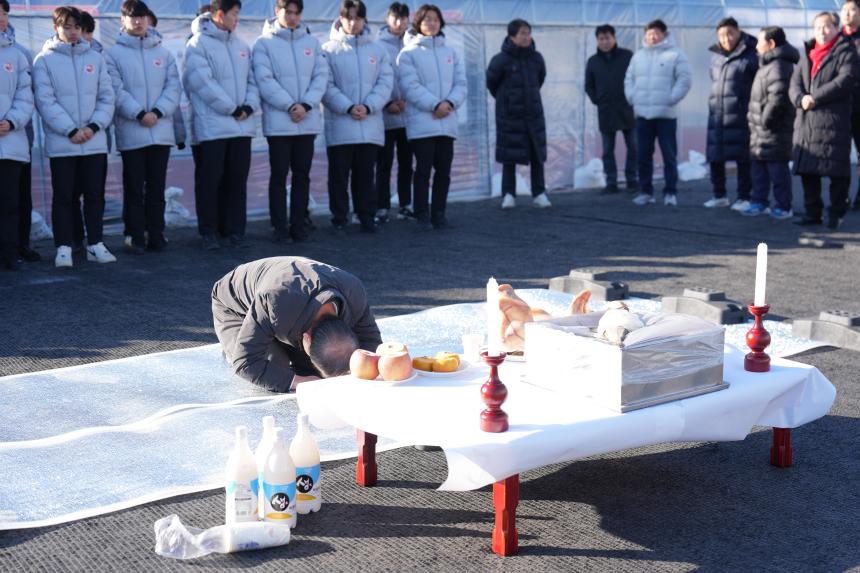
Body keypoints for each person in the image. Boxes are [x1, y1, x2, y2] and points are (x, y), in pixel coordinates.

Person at [211, 256, 383, 392]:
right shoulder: (274, 300)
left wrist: (364, 370)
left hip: (287, 308)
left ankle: (275, 337)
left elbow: (371, 340)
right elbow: (246, 363)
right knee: (277, 366)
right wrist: (299, 382)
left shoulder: (354, 294)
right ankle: (232, 348)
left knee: (315, 373)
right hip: (234, 307)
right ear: (306, 338)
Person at [33, 6, 116, 268]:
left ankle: (96, 244)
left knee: (94, 196)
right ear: (56, 27)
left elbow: (107, 97)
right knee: (64, 197)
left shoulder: (96, 59)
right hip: (63, 144)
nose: (72, 32)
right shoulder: (44, 61)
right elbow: (45, 101)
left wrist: (92, 127)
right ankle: (64, 247)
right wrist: (70, 130)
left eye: (76, 27)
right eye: (66, 26)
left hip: (94, 142)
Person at [105, 0, 181, 254]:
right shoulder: (113, 54)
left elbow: (173, 87)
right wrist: (139, 113)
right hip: (132, 131)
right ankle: (134, 234)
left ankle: (156, 234)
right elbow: (116, 90)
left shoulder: (164, 54)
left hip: (160, 130)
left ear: (149, 19)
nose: (138, 21)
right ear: (123, 20)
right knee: (134, 187)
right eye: (132, 17)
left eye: (142, 16)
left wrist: (157, 112)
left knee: (157, 187)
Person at [184, 0, 259, 250]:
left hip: (242, 126)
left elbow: (253, 80)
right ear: (219, 14)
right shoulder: (197, 44)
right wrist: (232, 108)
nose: (237, 19)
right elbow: (202, 83)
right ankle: (209, 231)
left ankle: (235, 230)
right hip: (213, 127)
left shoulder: (241, 45)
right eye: (234, 14)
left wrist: (248, 106)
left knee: (237, 180)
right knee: (210, 181)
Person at [253, 0, 327, 244]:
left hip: (306, 120)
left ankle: (298, 224)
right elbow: (264, 80)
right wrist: (289, 105)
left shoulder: (312, 43)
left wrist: (305, 105)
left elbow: (320, 77)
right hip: (279, 122)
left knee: (302, 175)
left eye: (297, 12)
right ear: (277, 11)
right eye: (288, 12)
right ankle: (279, 226)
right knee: (279, 176)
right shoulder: (264, 44)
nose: (293, 17)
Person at [321, 0, 393, 234]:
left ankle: (366, 215)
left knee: (365, 174)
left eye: (358, 18)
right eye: (348, 18)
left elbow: (385, 82)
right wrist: (349, 107)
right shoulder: (328, 49)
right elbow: (326, 85)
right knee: (339, 175)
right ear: (341, 19)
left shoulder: (377, 50)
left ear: (364, 20)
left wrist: (369, 106)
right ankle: (340, 216)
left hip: (369, 124)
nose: (353, 23)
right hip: (341, 123)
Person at [398, 4, 466, 229]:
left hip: (447, 121)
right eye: (427, 19)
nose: (432, 23)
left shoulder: (450, 52)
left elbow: (461, 84)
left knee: (444, 171)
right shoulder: (409, 53)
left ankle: (439, 212)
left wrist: (449, 103)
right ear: (418, 23)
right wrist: (435, 104)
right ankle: (421, 214)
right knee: (423, 171)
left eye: (436, 19)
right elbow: (410, 86)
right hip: (423, 123)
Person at [789, 11, 859, 230]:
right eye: (818, 27)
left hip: (832, 122)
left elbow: (845, 80)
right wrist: (800, 99)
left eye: (827, 26)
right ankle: (813, 212)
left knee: (836, 171)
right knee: (809, 171)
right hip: (806, 122)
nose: (822, 31)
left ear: (836, 28)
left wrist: (814, 98)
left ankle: (836, 211)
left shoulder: (845, 51)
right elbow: (794, 84)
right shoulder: (807, 53)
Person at [624, 19, 692, 207]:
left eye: (655, 33)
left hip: (665, 115)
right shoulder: (638, 56)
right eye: (648, 34)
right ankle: (646, 191)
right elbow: (628, 79)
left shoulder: (675, 55)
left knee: (669, 155)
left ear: (664, 34)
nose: (652, 37)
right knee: (643, 155)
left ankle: (670, 192)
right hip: (643, 115)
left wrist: (671, 98)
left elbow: (685, 79)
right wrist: (632, 97)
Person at [487, 18, 551, 209]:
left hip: (533, 114)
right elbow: (492, 84)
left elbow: (540, 79)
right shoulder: (500, 60)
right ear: (511, 36)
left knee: (537, 155)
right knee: (510, 156)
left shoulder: (536, 58)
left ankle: (539, 193)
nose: (526, 37)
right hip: (510, 116)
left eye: (528, 33)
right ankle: (508, 194)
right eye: (522, 33)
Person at [704, 17, 759, 212]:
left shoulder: (752, 55)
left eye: (730, 33)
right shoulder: (716, 57)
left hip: (741, 115)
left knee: (743, 158)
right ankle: (719, 195)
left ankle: (744, 196)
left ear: (738, 32)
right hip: (717, 115)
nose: (726, 39)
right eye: (721, 35)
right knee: (715, 156)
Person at [745, 26, 799, 219]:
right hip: (761, 129)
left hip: (774, 129)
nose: (757, 46)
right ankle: (759, 201)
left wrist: (765, 121)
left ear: (771, 44)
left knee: (777, 170)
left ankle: (783, 206)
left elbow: (778, 98)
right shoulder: (768, 64)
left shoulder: (780, 66)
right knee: (759, 168)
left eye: (760, 42)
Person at [0, 3, 39, 266]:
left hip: (11, 141)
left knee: (11, 203)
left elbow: (26, 96)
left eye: (4, 13)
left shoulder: (17, 54)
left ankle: (10, 253)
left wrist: (11, 121)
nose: (2, 19)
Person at [585, 24, 637, 195]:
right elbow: (589, 86)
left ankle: (632, 179)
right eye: (601, 39)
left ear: (614, 38)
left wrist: (632, 97)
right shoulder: (593, 61)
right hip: (606, 110)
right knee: (608, 149)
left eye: (607, 38)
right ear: (597, 41)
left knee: (634, 146)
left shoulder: (627, 56)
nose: (605, 42)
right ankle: (611, 182)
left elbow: (636, 78)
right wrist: (598, 100)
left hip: (627, 108)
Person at [375, 2, 413, 222]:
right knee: (384, 164)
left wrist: (408, 100)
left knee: (407, 163)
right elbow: (377, 77)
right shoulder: (378, 46)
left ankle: (406, 204)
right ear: (387, 20)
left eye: (403, 18)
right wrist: (388, 102)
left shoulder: (413, 43)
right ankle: (382, 206)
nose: (399, 23)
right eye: (395, 18)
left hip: (408, 116)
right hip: (385, 116)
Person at [840, 0, 860, 211]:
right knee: (840, 154)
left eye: (852, 9)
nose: (847, 13)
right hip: (841, 106)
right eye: (844, 9)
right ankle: (841, 197)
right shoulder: (836, 39)